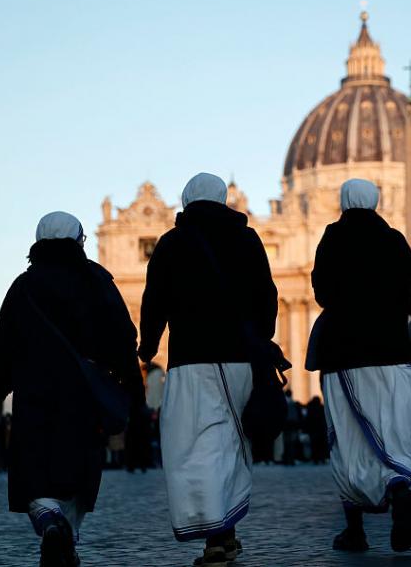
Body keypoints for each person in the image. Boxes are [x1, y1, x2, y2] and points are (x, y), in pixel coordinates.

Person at [0, 211, 144, 567]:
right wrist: (131, 384)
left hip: (35, 390)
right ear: (80, 241)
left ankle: (50, 522)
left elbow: (3, 346)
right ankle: (66, 533)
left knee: (34, 468)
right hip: (84, 394)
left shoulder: (24, 285)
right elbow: (123, 337)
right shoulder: (98, 281)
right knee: (77, 470)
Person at [139, 172, 278, 565]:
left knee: (193, 447)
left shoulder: (171, 243)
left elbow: (155, 302)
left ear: (186, 201)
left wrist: (148, 347)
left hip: (191, 362)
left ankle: (215, 534)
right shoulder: (248, 239)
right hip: (240, 361)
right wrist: (260, 337)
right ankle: (226, 532)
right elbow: (268, 296)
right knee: (231, 444)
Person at [309, 179, 411, 553]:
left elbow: (321, 292)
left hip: (345, 351)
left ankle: (355, 529)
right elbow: (410, 293)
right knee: (392, 427)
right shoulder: (394, 240)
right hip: (392, 349)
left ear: (343, 201)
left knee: (348, 435)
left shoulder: (332, 238)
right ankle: (399, 486)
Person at [304, 396, 329, 464]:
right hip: (321, 430)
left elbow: (308, 420)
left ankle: (316, 459)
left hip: (313, 431)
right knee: (321, 446)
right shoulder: (321, 408)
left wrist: (307, 430)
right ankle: (322, 458)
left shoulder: (311, 409)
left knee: (314, 446)